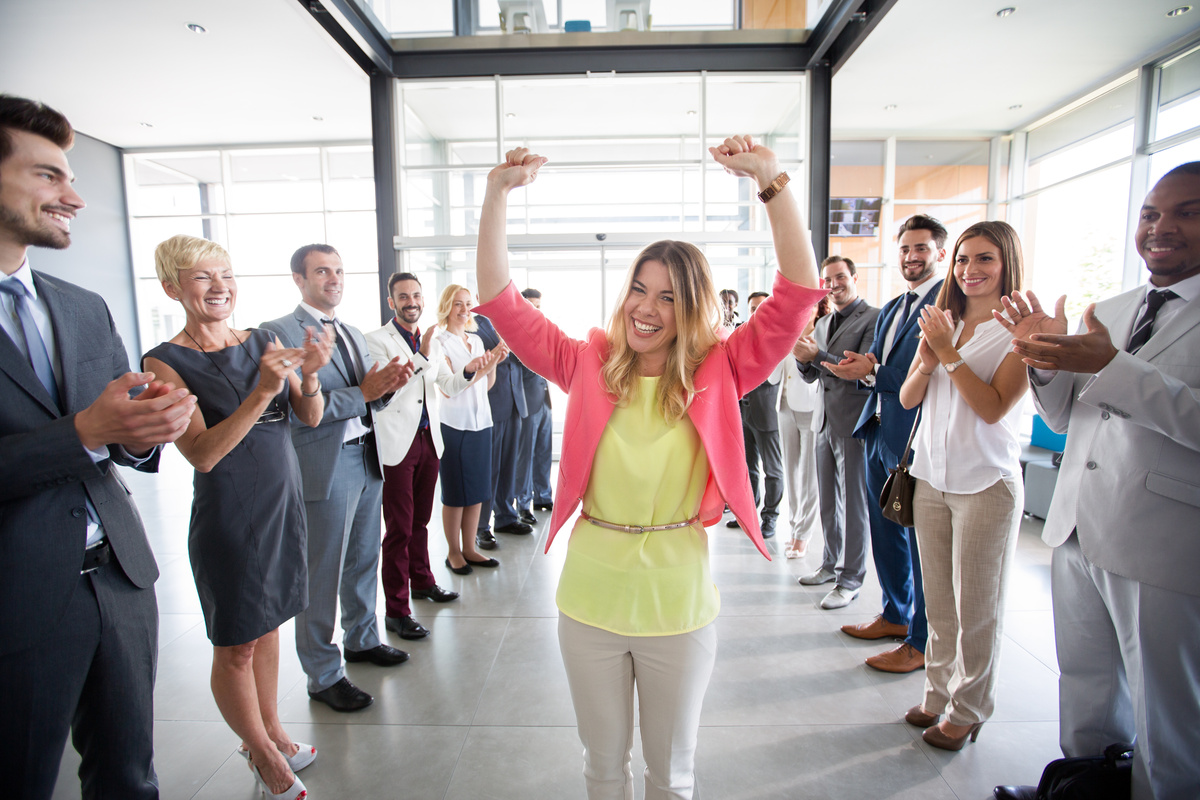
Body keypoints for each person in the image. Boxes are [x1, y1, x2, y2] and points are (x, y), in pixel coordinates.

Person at [473, 137, 824, 800]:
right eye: (638, 288)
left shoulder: (720, 370)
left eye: (666, 297)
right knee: (602, 768)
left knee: (673, 774)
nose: (645, 307)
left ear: (690, 308)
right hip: (590, 596)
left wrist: (773, 184)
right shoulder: (586, 365)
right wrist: (497, 195)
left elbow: (798, 295)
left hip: (679, 600)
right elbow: (501, 301)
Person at [0, 94, 195, 799]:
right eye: (49, 176)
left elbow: (119, 442)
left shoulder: (82, 306)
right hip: (16, 595)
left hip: (118, 580)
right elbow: (85, 433)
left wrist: (151, 430)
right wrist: (85, 433)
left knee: (129, 777)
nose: (75, 197)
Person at [993, 165, 1200, 800]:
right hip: (1079, 523)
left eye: (1185, 212)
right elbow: (1070, 414)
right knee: (1086, 681)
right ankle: (1084, 785)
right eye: (1149, 214)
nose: (1161, 228)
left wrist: (1112, 365)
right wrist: (1045, 363)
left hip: (1159, 536)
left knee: (1166, 707)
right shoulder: (1110, 308)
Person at [144, 234, 331, 800]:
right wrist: (262, 391)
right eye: (203, 277)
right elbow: (201, 453)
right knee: (237, 644)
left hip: (281, 502)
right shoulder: (164, 361)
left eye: (226, 274)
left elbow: (311, 414)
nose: (220, 287)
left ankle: (270, 734)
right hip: (229, 513)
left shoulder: (265, 338)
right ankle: (265, 757)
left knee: (270, 625)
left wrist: (314, 373)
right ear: (173, 287)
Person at [897, 221, 1036, 752]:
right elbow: (909, 398)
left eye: (984, 260)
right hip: (931, 477)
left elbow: (993, 406)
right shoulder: (943, 321)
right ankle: (936, 694)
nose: (969, 271)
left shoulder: (1021, 330)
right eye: (961, 260)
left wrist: (948, 357)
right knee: (940, 601)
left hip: (986, 484)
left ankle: (971, 707)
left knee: (979, 605)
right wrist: (930, 360)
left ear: (1007, 266)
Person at [261, 244, 412, 713]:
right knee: (321, 572)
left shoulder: (349, 331)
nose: (334, 279)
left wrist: (387, 387)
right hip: (323, 464)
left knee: (363, 559)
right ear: (298, 279)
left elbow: (368, 394)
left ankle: (362, 639)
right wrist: (364, 392)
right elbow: (297, 412)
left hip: (366, 455)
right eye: (322, 271)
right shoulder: (276, 333)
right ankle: (323, 674)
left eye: (340, 271)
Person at [829, 214, 946, 674]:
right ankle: (897, 615)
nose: (912, 257)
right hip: (878, 428)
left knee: (919, 542)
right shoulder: (897, 305)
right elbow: (880, 365)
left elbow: (932, 373)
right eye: (904, 249)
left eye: (921, 249)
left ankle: (921, 641)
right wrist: (863, 366)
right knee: (887, 531)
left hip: (915, 435)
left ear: (940, 251)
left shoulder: (946, 304)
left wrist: (873, 372)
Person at [366, 273, 494, 641]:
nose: (411, 301)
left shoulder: (432, 342)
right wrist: (422, 354)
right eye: (403, 296)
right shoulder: (376, 341)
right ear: (391, 302)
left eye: (417, 295)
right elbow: (386, 390)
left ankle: (422, 581)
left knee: (420, 521)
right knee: (399, 528)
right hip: (397, 444)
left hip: (428, 440)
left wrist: (471, 369)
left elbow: (448, 386)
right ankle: (397, 609)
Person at [795, 255, 880, 609]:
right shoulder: (825, 320)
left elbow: (858, 370)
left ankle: (851, 578)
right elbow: (812, 375)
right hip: (824, 421)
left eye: (840, 277)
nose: (833, 284)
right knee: (829, 501)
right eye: (827, 279)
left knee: (854, 505)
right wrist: (803, 359)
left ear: (855, 278)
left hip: (854, 422)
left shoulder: (875, 318)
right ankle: (830, 564)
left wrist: (816, 355)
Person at [436, 284, 506, 574]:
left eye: (467, 304)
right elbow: (451, 389)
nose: (464, 310)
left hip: (481, 423)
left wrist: (494, 364)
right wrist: (477, 370)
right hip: (454, 424)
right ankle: (453, 552)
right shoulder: (438, 343)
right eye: (457, 304)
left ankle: (470, 548)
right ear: (446, 307)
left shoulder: (476, 341)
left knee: (477, 490)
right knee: (455, 493)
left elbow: (486, 386)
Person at [773, 294, 829, 558]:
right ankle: (794, 528)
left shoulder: (823, 334)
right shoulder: (787, 333)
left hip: (810, 408)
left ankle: (803, 536)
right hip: (783, 406)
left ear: (818, 309)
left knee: (809, 476)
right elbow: (773, 374)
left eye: (811, 307)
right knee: (791, 474)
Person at [727, 291, 783, 539]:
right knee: (748, 469)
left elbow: (771, 374)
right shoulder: (741, 334)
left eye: (761, 306)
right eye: (752, 308)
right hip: (743, 409)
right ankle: (749, 516)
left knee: (772, 470)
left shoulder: (778, 335)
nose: (756, 311)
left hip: (767, 411)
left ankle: (770, 518)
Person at [474, 311, 531, 547]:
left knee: (509, 464)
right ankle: (480, 527)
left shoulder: (510, 320)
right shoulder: (473, 325)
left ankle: (506, 516)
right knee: (490, 468)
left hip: (516, 402)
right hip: (492, 402)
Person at [516, 287, 555, 518]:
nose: (535, 310)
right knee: (526, 455)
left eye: (538, 306)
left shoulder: (543, 330)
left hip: (545, 400)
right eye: (531, 305)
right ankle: (523, 503)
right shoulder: (514, 332)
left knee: (544, 451)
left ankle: (543, 496)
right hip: (526, 403)